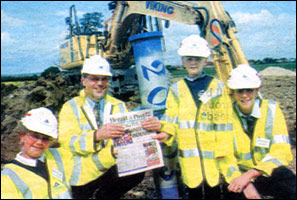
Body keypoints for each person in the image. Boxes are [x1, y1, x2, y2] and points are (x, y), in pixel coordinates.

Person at [152, 35, 244, 199]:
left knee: (213, 192)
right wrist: (166, 133)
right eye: (189, 58)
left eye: (198, 58)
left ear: (205, 60)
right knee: (193, 192)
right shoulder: (176, 89)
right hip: (190, 159)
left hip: (214, 156)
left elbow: (224, 122)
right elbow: (171, 118)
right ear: (183, 60)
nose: (193, 62)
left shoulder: (217, 87)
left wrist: (223, 149)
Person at [58, 55, 146, 199]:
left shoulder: (118, 105)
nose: (100, 83)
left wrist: (146, 132)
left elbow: (126, 137)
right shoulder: (70, 107)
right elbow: (67, 142)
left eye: (104, 79)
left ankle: (105, 196)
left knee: (137, 170)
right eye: (94, 79)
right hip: (83, 172)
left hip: (108, 164)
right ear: (83, 81)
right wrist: (97, 135)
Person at [227, 64, 296, 199]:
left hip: (266, 171)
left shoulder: (272, 110)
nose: (245, 95)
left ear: (257, 90)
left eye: (249, 90)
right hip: (239, 173)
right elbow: (225, 156)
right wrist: (245, 182)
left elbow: (281, 151)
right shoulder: (226, 116)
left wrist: (251, 174)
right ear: (233, 92)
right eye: (239, 91)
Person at [1, 107, 72, 199]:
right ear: (22, 136)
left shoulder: (58, 156)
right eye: (35, 136)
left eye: (45, 138)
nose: (39, 142)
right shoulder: (8, 176)